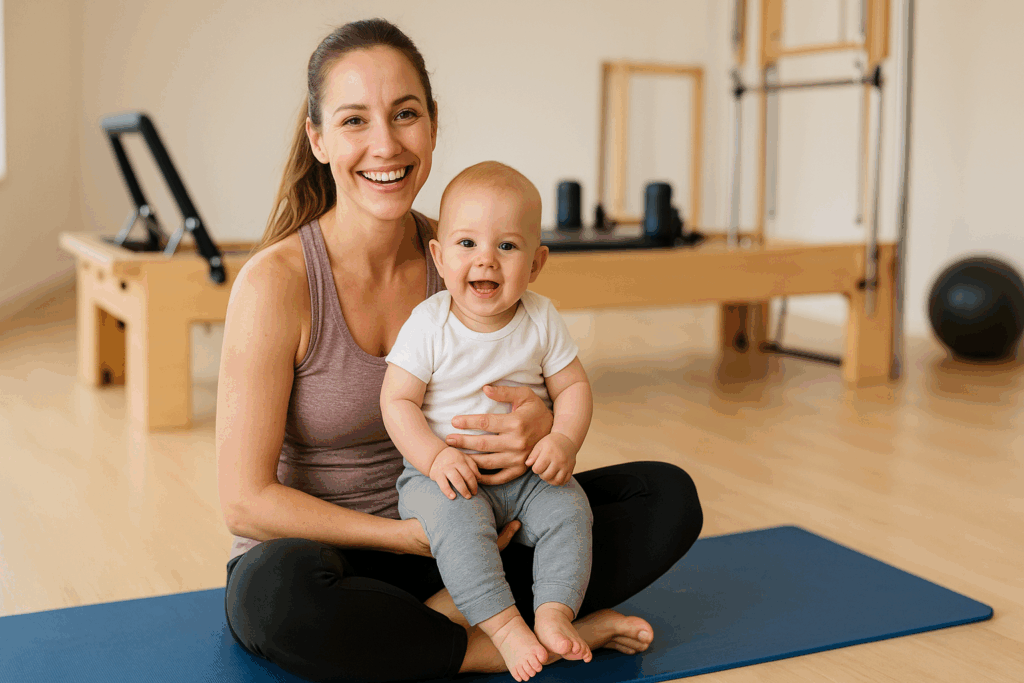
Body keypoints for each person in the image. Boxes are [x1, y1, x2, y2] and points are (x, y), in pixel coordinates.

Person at [217, 17, 704, 683]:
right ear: (318, 138)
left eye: (405, 114)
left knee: (666, 496)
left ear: (433, 125)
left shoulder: (467, 257)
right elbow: (244, 502)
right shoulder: (274, 285)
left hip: (477, 529)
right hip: (339, 555)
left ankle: (443, 622)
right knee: (278, 601)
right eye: (355, 120)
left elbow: (544, 379)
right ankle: (489, 642)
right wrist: (403, 538)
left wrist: (538, 423)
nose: (385, 143)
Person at [382, 161, 595, 681]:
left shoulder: (541, 318)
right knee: (460, 524)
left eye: (507, 246)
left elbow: (574, 387)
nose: (487, 261)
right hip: (444, 480)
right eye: (467, 244)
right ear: (438, 254)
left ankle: (553, 612)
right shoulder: (429, 323)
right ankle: (503, 629)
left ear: (537, 262)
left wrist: (564, 438)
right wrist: (434, 457)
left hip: (526, 481)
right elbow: (398, 403)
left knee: (572, 509)